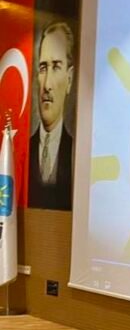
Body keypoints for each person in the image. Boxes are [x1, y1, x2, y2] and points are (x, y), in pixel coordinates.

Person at [29, 20, 75, 210]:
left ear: (69, 79)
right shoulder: (21, 152)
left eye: (56, 67)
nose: (47, 84)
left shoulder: (76, 152)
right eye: (43, 68)